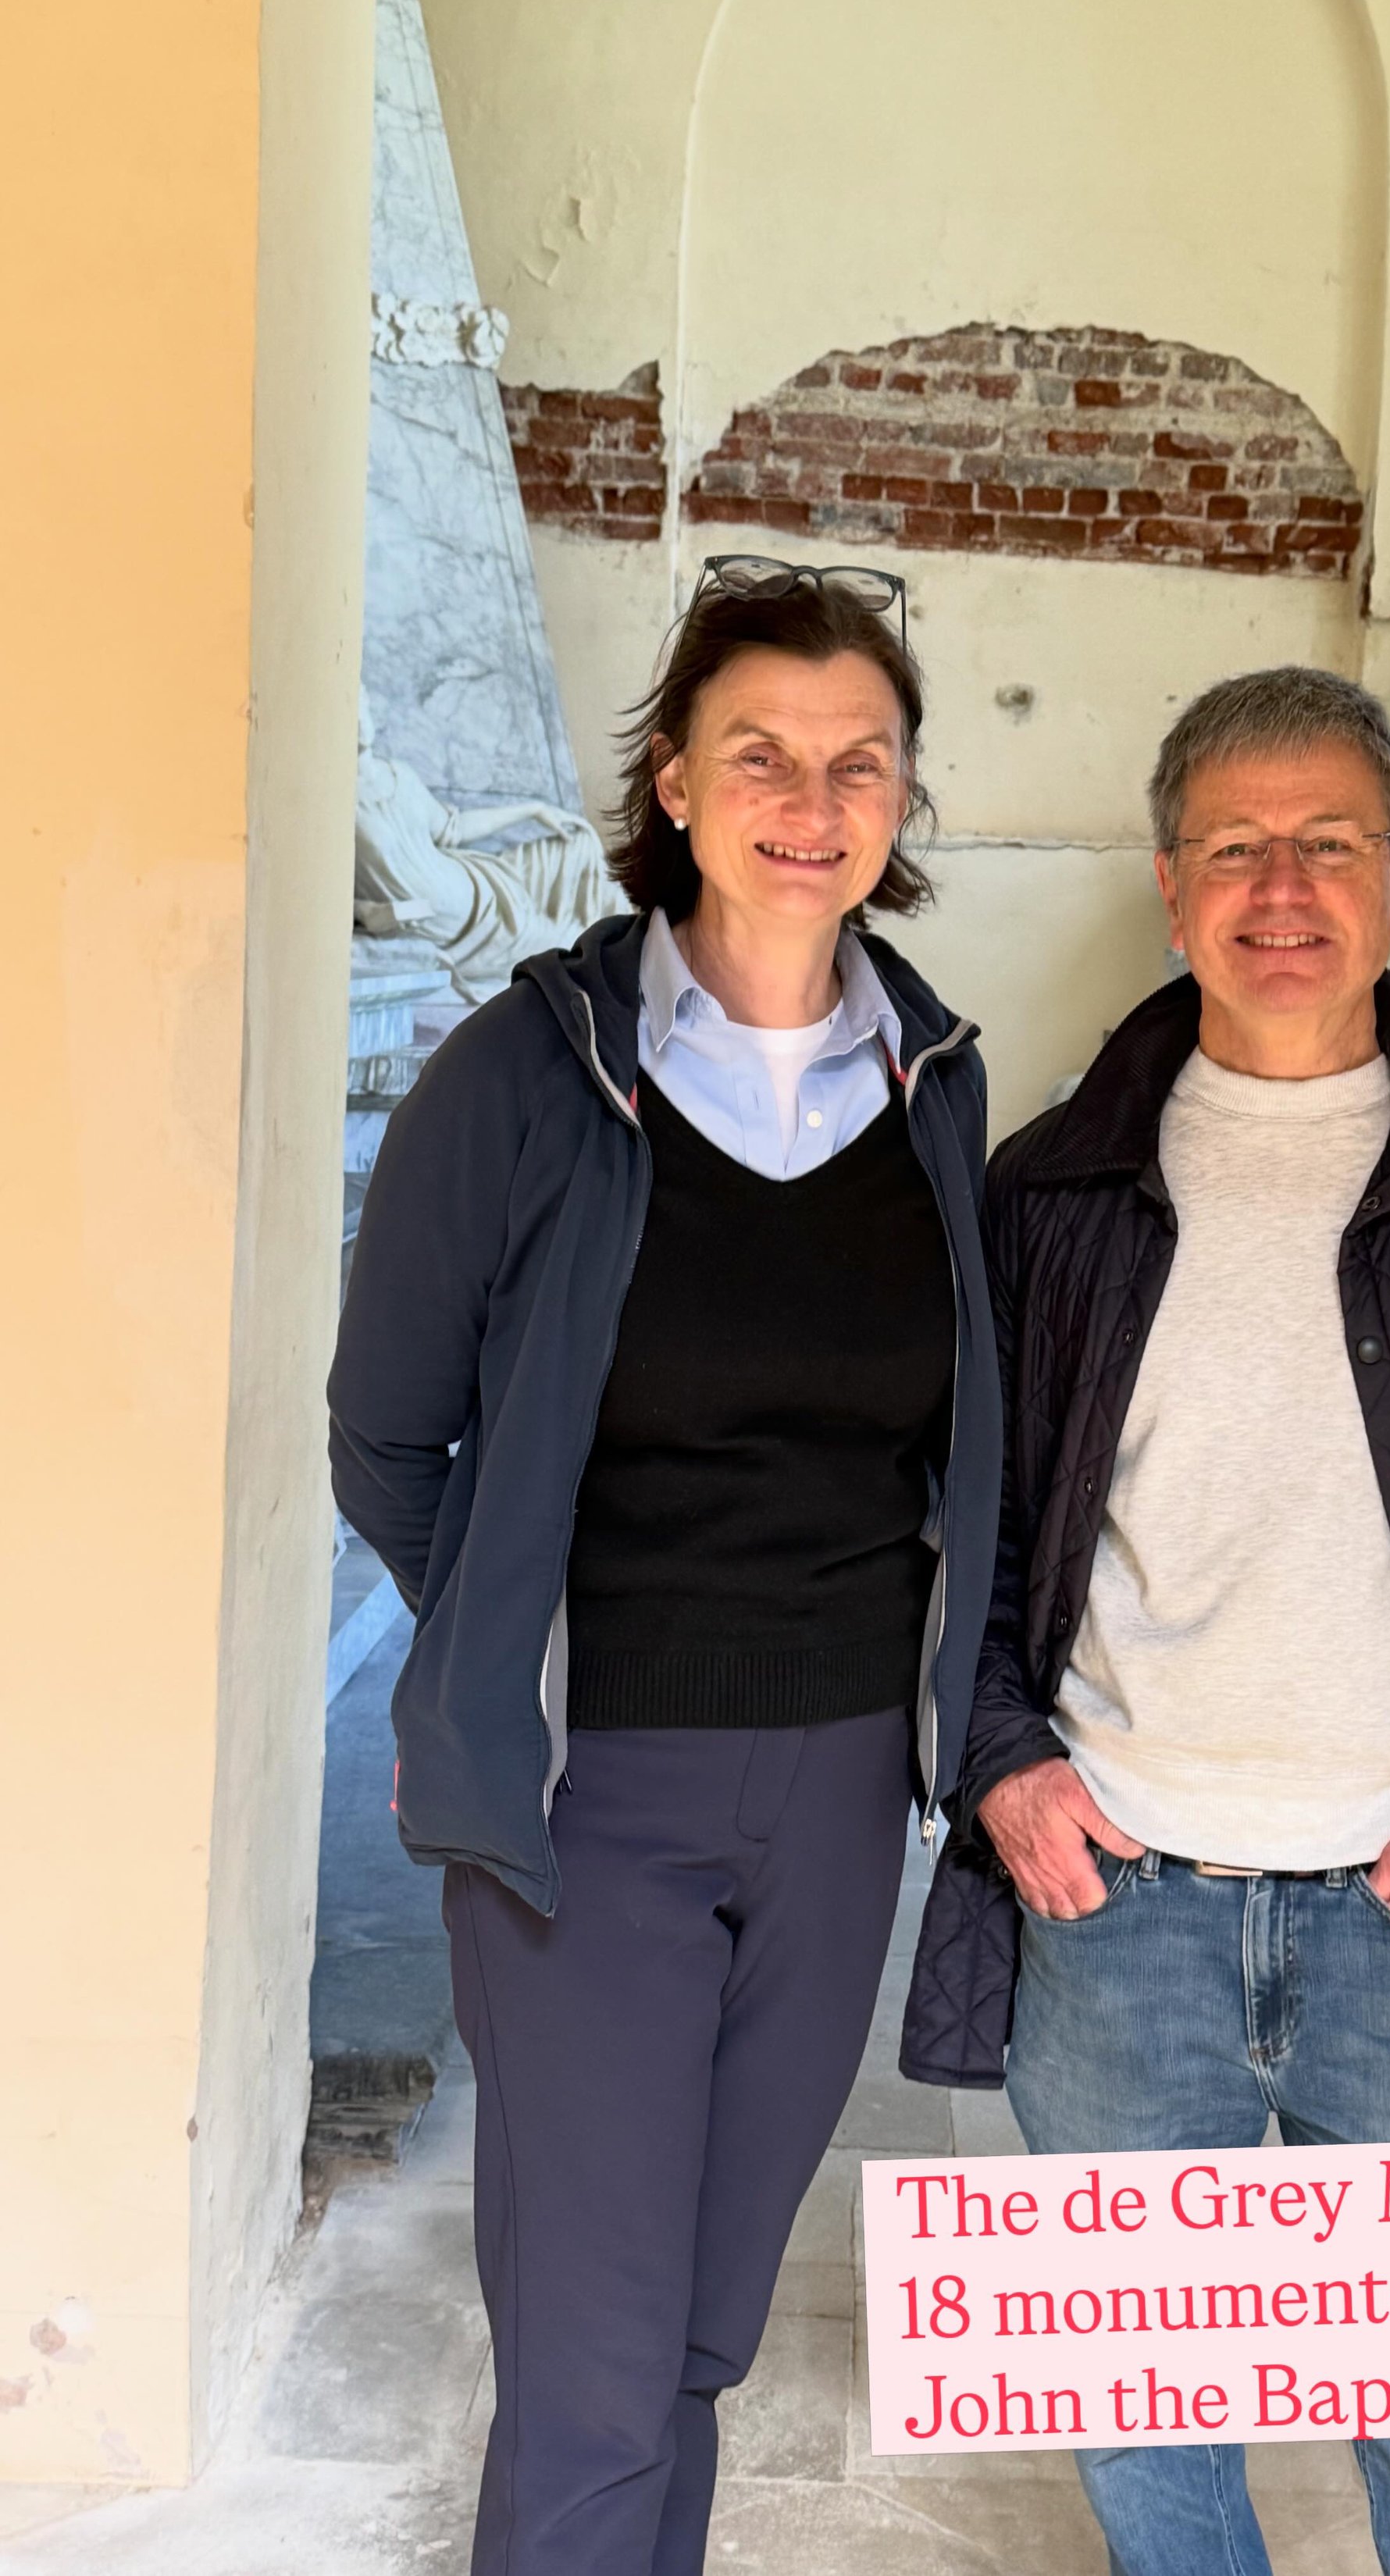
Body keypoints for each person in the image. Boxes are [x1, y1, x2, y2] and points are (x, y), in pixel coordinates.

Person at [902, 664, 1390, 2576]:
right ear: (1174, 889)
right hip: (1116, 1909)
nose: (1284, 888)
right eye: (1237, 848)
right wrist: (1003, 1765)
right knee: (1145, 2435)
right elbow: (945, 1521)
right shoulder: (1051, 1189)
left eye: (1328, 843)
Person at [330, 559, 1000, 2576]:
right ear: (678, 786)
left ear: (898, 803)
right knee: (597, 2348)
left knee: (701, 2316)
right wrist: (511, 1633)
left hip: (832, 1787)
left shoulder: (939, 1086)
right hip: (585, 1792)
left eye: (858, 761)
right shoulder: (527, 1074)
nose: (813, 799)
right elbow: (386, 1431)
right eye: (761, 754)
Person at [351, 689, 627, 1002]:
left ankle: (638, 945)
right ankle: (630, 964)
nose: (359, 717)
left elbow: (452, 829)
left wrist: (532, 810)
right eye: (350, 706)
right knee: (572, 943)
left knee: (580, 847)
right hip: (456, 925)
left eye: (362, 703)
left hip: (476, 875)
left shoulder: (398, 775)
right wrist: (367, 912)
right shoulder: (333, 808)